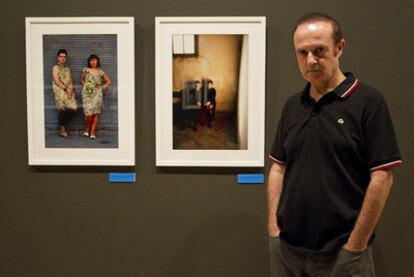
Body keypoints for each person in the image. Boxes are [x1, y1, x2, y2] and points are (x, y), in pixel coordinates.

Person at [267, 13, 402, 276]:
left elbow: (382, 177)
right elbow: (278, 168)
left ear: (339, 48)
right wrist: (273, 229)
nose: (310, 60)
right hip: (288, 252)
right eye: (302, 52)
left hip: (342, 254)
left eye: (319, 50)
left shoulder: (368, 102)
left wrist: (355, 245)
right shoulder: (292, 107)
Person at [80, 54, 111, 140]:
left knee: (95, 113)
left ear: (97, 61)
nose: (93, 62)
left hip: (97, 95)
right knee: (88, 114)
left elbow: (108, 82)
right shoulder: (86, 70)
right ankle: (87, 128)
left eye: (95, 60)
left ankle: (92, 132)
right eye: (91, 60)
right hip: (87, 94)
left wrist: (101, 87)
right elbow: (81, 80)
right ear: (89, 62)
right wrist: (86, 85)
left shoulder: (100, 72)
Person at [51, 49, 77, 138]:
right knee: (62, 110)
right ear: (58, 57)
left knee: (74, 108)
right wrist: (65, 89)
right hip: (59, 91)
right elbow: (56, 80)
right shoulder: (55, 67)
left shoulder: (67, 69)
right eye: (61, 56)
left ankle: (63, 124)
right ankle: (62, 130)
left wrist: (71, 90)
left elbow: (70, 81)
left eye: (64, 57)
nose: (63, 58)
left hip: (68, 91)